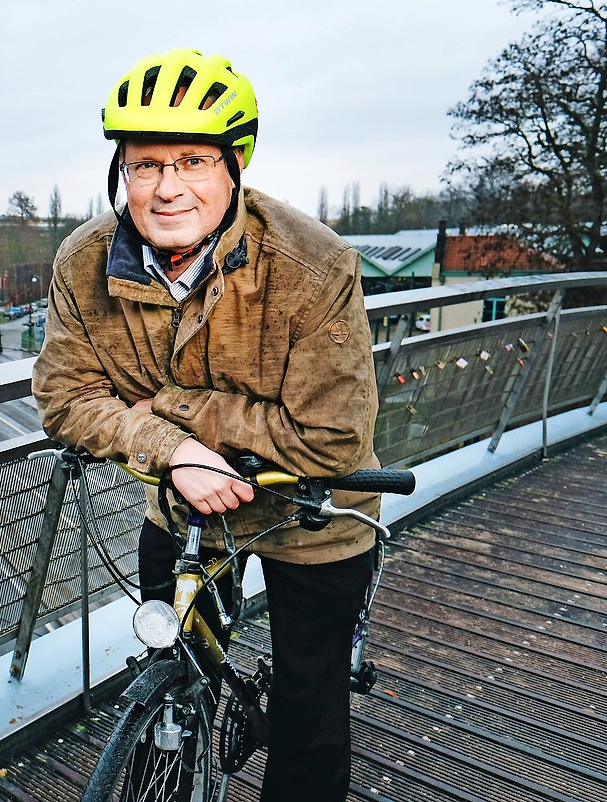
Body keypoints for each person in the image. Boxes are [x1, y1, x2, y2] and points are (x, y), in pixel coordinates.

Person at [32, 48, 381, 802]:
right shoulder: (83, 262)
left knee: (307, 710)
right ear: (122, 170)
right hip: (185, 503)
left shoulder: (314, 267)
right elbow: (64, 395)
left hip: (312, 512)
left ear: (235, 165)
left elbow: (330, 438)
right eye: (145, 163)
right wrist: (175, 450)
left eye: (191, 160)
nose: (166, 187)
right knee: (171, 676)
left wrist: (175, 412)